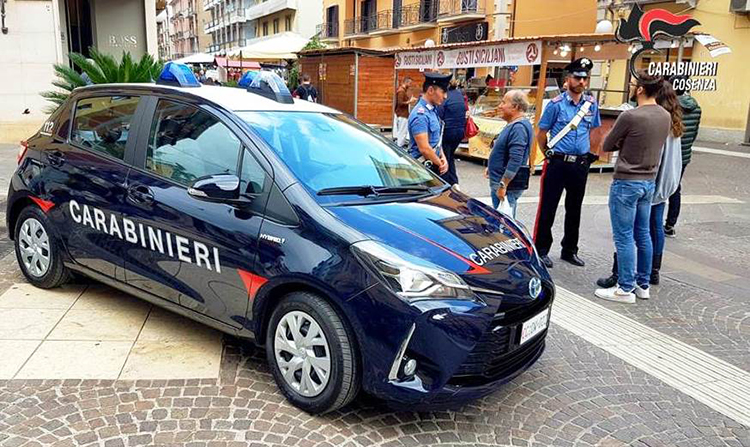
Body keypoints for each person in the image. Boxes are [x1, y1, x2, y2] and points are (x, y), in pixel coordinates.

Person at [596, 80, 684, 289]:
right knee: (644, 233)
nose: (633, 87)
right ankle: (643, 284)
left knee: (624, 236)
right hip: (649, 181)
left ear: (641, 89)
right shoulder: (665, 116)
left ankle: (625, 286)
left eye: (635, 84)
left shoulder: (631, 115)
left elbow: (607, 145)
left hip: (628, 181)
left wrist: (622, 140)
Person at [533, 58, 601, 268]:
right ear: (568, 79)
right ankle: (542, 249)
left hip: (579, 164)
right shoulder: (556, 105)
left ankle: (569, 249)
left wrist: (591, 154)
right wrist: (547, 153)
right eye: (577, 77)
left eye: (584, 78)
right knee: (548, 207)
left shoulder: (591, 105)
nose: (581, 81)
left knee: (575, 208)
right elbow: (541, 133)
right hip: (558, 162)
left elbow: (595, 130)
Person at [485, 90, 533, 219]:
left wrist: (503, 184)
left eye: (504, 102)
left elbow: (515, 159)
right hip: (503, 182)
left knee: (505, 222)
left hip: (507, 186)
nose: (500, 106)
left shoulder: (518, 128)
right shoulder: (514, 125)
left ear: (515, 107)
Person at [665, 75, 702, 238]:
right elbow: (694, 133)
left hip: (669, 154)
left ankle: (654, 221)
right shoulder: (697, 107)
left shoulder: (669, 106)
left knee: (659, 186)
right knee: (675, 188)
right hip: (684, 154)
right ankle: (671, 224)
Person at [408, 72, 451, 176]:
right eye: (443, 92)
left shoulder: (432, 110)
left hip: (432, 164)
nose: (445, 96)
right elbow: (424, 149)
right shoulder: (420, 115)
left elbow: (436, 141)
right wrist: (440, 163)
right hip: (421, 169)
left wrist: (443, 157)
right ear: (431, 90)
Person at [437, 79, 468, 185]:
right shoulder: (459, 95)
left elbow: (439, 114)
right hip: (459, 131)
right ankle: (454, 182)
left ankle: (445, 183)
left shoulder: (446, 96)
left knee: (444, 157)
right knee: (450, 157)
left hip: (448, 131)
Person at [394, 77, 417, 148]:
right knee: (402, 132)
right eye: (409, 83)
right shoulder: (401, 91)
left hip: (401, 114)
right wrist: (410, 101)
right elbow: (400, 103)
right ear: (406, 82)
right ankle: (399, 147)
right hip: (402, 114)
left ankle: (399, 145)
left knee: (402, 132)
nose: (410, 85)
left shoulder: (402, 91)